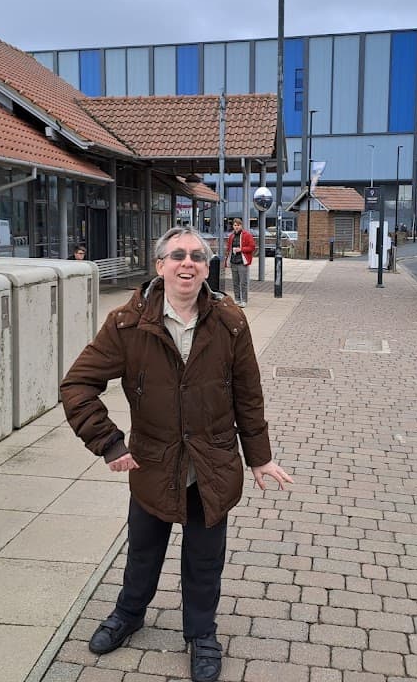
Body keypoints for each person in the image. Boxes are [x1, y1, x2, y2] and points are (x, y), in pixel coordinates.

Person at [61, 225, 292, 682]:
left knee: (204, 559)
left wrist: (259, 456)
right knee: (143, 552)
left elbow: (248, 395)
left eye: (197, 257)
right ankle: (129, 614)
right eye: (178, 256)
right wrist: (108, 442)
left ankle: (201, 633)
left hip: (212, 465)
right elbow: (77, 385)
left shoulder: (230, 322)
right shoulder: (127, 324)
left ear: (207, 268)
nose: (188, 263)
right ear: (160, 265)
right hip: (153, 463)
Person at [223, 218, 255, 308]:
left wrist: (241, 249)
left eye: (238, 225)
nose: (236, 227)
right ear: (233, 226)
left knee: (243, 282)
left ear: (241, 226)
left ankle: (244, 300)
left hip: (242, 262)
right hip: (233, 261)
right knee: (235, 282)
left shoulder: (247, 235)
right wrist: (227, 257)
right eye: (235, 225)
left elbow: (252, 247)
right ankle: (237, 299)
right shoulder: (231, 236)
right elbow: (228, 248)